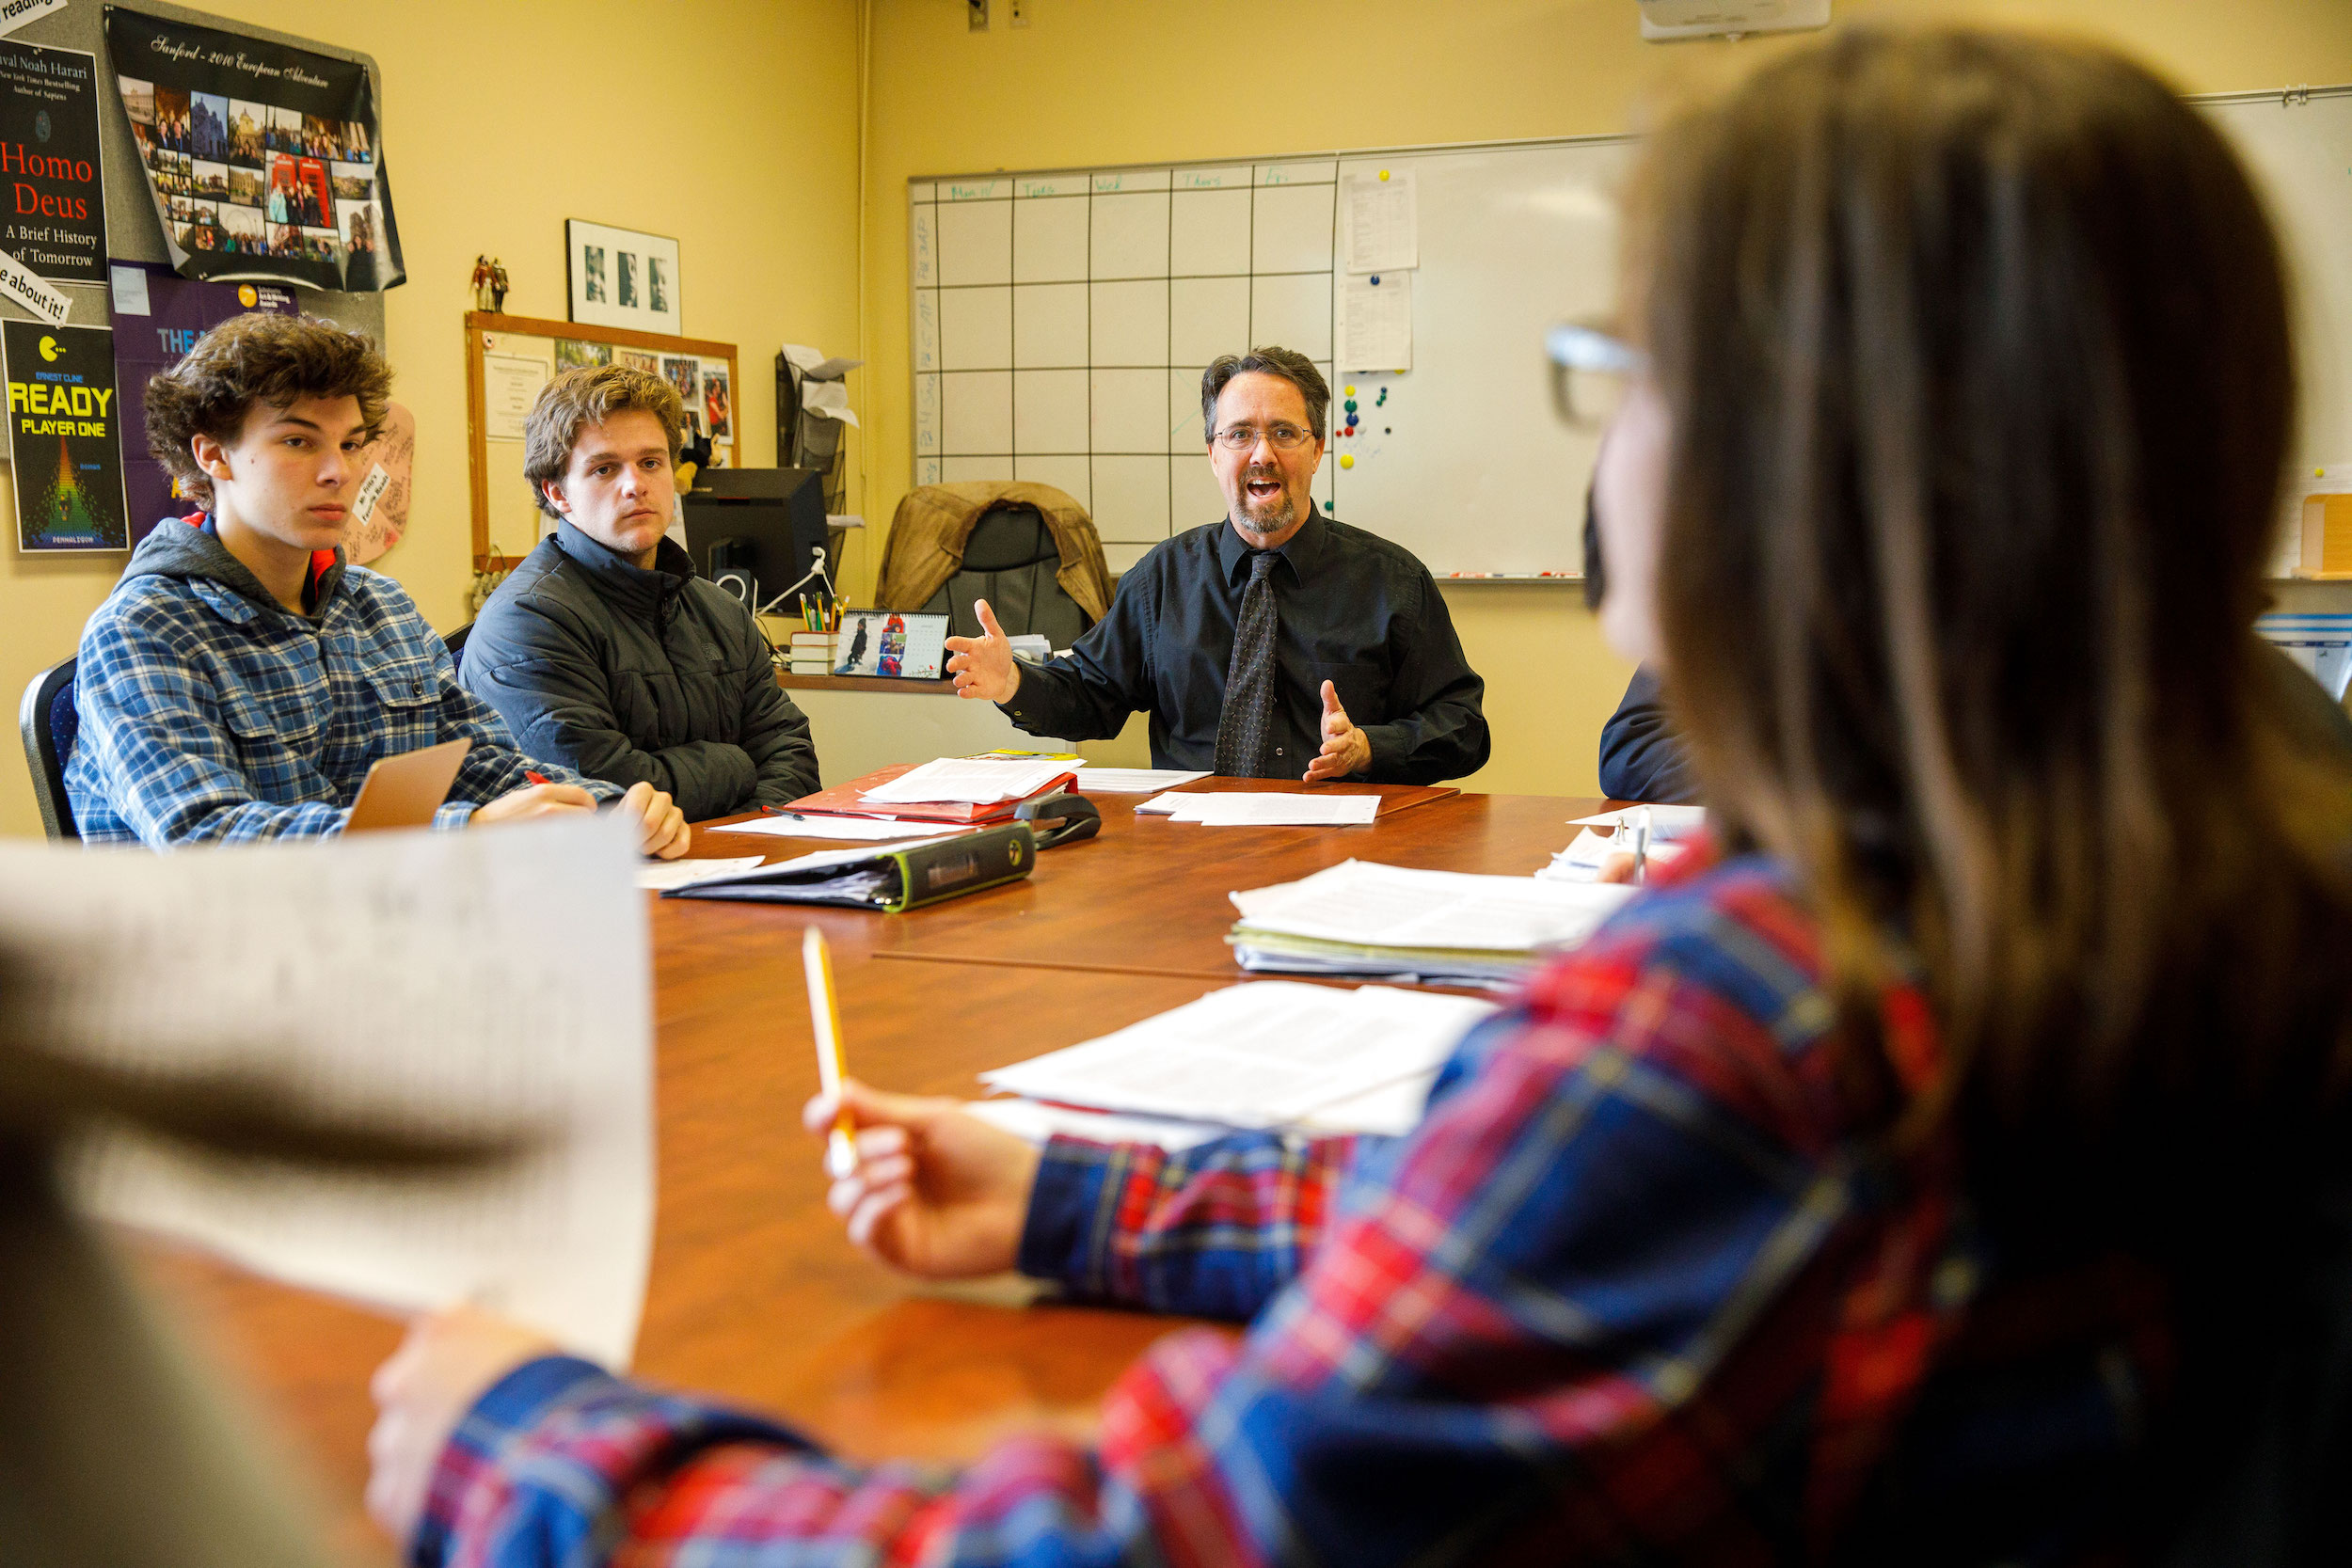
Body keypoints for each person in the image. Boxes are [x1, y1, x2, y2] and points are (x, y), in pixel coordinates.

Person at [367, 27, 2352, 1565]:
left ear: (1797, 448)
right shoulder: (2226, 820)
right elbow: (1579, 1234)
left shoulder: (1756, 1013)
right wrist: (1085, 1185)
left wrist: (536, 1450)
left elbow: (1159, 1533)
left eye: (1621, 373)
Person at [68, 313, 689, 856]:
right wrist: (465, 835)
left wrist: (608, 811)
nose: (341, 471)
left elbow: (484, 764)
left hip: (392, 938)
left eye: (352, 443)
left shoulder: (379, 608)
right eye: (297, 441)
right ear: (214, 455)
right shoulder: (143, 629)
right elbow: (210, 839)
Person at [944, 345, 1489, 784]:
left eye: (1283, 433)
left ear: (1317, 449)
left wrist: (1370, 748)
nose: (1262, 454)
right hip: (1193, 851)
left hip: (1341, 846)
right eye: (1240, 434)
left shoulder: (1392, 582)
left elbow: (1462, 728)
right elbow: (1090, 696)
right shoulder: (1162, 580)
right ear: (1213, 453)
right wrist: (1012, 678)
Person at [459, 366, 821, 821]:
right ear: (558, 493)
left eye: (651, 462)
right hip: (606, 885)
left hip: (740, 868)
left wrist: (741, 836)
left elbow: (792, 755)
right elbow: (602, 795)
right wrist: (735, 763)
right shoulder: (527, 622)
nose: (635, 485)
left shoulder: (721, 611)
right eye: (605, 468)